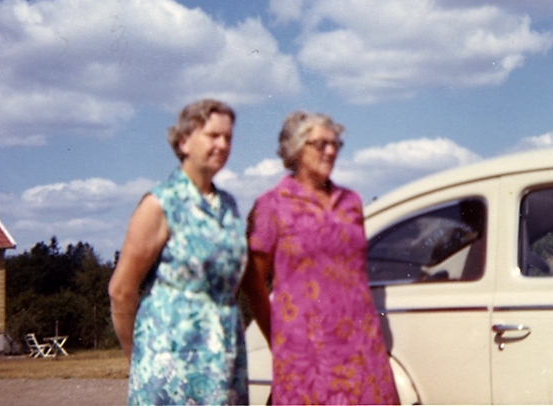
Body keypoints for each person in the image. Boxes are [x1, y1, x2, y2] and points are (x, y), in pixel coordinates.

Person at [242, 110, 399, 405]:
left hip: (360, 344)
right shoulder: (272, 205)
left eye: (335, 144)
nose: (330, 151)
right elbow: (252, 281)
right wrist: (277, 337)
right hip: (305, 349)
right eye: (321, 144)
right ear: (296, 149)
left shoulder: (351, 202)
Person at [109, 99, 249, 405]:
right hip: (172, 364)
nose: (223, 145)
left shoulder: (228, 206)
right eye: (213, 136)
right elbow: (121, 290)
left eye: (228, 137)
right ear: (184, 141)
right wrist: (139, 357)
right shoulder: (160, 203)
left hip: (225, 358)